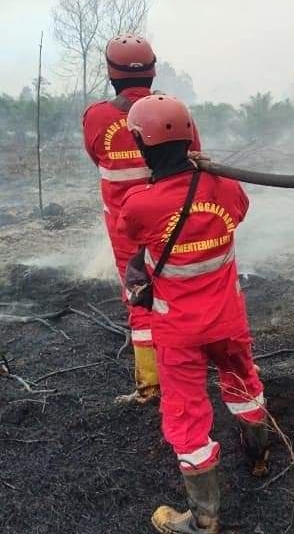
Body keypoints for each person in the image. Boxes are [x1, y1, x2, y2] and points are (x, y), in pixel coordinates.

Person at [118, 94, 272, 534]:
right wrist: (207, 170)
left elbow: (135, 236)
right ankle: (258, 455)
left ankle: (204, 519)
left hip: (178, 330)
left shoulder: (140, 204)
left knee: (186, 415)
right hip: (228, 320)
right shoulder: (225, 187)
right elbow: (239, 210)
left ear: (141, 146)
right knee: (244, 382)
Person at [82, 33, 200, 404]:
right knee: (188, 288)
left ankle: (151, 385)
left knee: (140, 296)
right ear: (152, 71)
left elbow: (96, 156)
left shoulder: (97, 117)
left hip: (126, 228)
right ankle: (196, 363)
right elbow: (192, 156)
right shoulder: (175, 114)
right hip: (175, 219)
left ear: (111, 74)